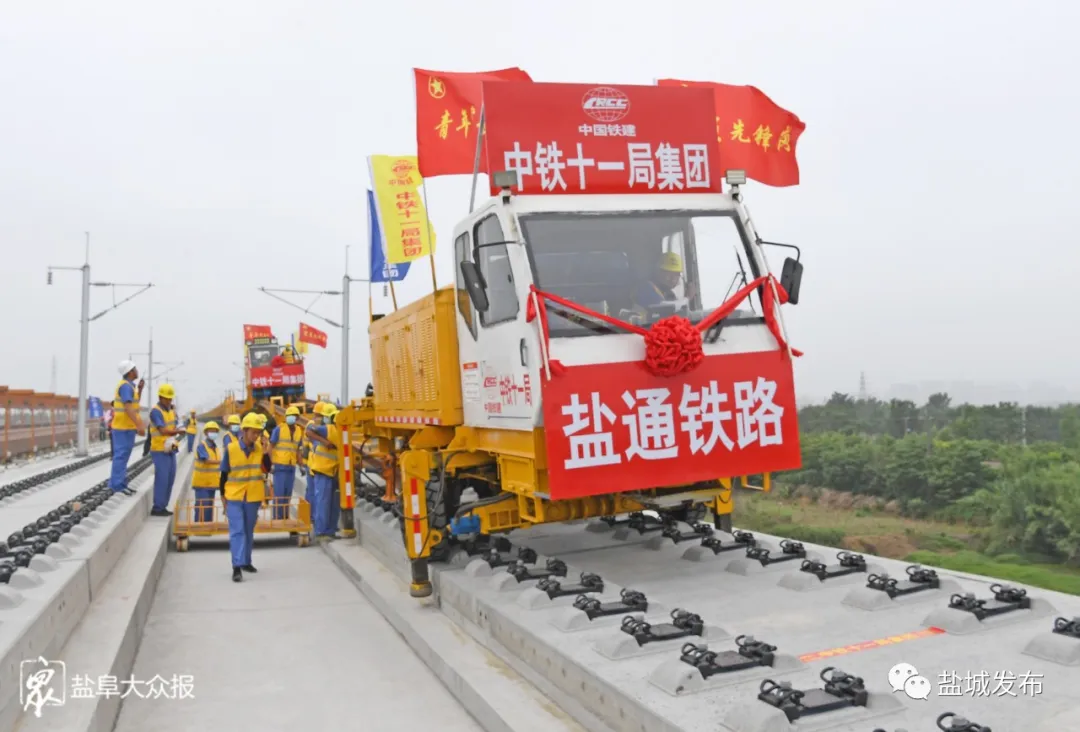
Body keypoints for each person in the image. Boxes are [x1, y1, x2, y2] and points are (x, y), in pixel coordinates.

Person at [219, 413, 271, 582]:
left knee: (248, 531)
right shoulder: (232, 449)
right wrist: (222, 495)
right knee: (237, 531)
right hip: (234, 496)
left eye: (258, 432)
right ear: (244, 431)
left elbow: (267, 469)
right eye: (253, 432)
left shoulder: (259, 450)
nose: (256, 436)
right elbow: (224, 474)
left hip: (253, 496)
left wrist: (265, 452)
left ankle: (246, 561)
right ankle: (237, 567)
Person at [109, 360, 145, 496]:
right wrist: (139, 425)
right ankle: (117, 485)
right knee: (121, 456)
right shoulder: (125, 387)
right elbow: (128, 407)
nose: (137, 371)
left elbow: (134, 404)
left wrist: (140, 390)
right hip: (123, 427)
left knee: (123, 457)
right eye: (135, 369)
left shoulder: (130, 386)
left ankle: (121, 483)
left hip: (126, 427)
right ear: (130, 372)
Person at [306, 402, 340, 542]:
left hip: (329, 470)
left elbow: (309, 430)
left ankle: (326, 530)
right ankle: (323, 531)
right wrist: (324, 442)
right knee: (325, 502)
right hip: (325, 470)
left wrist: (323, 441)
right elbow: (309, 430)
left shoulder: (330, 429)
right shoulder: (332, 430)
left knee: (327, 503)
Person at [148, 384, 183, 516]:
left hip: (171, 448)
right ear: (160, 397)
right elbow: (162, 430)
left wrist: (180, 428)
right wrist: (178, 431)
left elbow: (177, 423)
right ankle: (157, 507)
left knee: (170, 477)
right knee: (162, 478)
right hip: (159, 449)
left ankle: (163, 506)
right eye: (166, 399)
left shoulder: (171, 411)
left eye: (170, 399)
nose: (169, 401)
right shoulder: (156, 412)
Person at [269, 406, 303, 520]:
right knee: (279, 494)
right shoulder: (279, 429)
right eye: (289, 416)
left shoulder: (299, 431)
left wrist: (301, 464)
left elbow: (297, 449)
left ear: (297, 418)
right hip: (279, 466)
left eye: (294, 416)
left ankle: (285, 516)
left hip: (291, 466)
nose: (291, 418)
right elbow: (270, 447)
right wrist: (271, 463)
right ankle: (278, 517)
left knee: (288, 494)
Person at [192, 421, 221, 523]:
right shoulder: (202, 446)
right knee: (202, 507)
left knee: (208, 508)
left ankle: (207, 529)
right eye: (211, 431)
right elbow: (206, 460)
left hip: (211, 483)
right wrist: (222, 462)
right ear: (206, 433)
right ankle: (198, 530)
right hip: (202, 483)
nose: (213, 433)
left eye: (215, 431)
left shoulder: (215, 447)